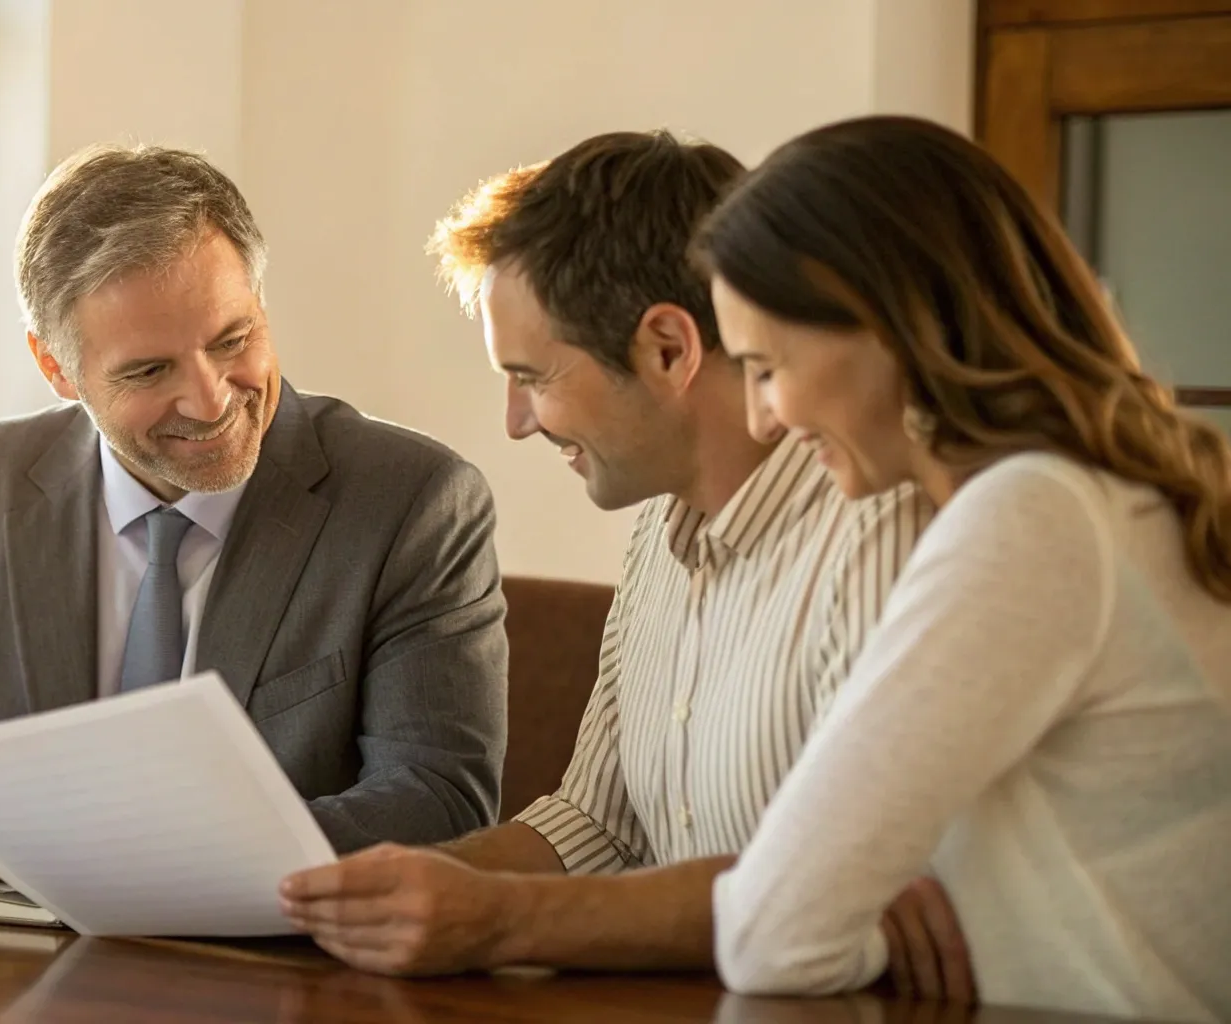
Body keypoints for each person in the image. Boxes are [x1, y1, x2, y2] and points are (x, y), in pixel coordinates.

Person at [280, 131, 954, 994]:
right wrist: (371, 897)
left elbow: (829, 894)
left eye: (533, 376)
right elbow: (595, 823)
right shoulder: (657, 535)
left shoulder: (880, 530)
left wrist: (488, 918)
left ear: (669, 350)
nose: (517, 422)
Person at [0, 144, 509, 875]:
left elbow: (435, 800)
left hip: (281, 969)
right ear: (56, 369)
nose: (211, 400)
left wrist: (100, 852)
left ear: (261, 305)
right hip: (11, 973)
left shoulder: (412, 500)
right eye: (148, 370)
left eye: (234, 340)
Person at [699, 115, 1231, 1022]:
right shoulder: (1109, 497)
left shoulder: (1031, 518)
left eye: (765, 367)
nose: (762, 420)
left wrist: (871, 927)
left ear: (892, 323)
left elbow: (768, 935)